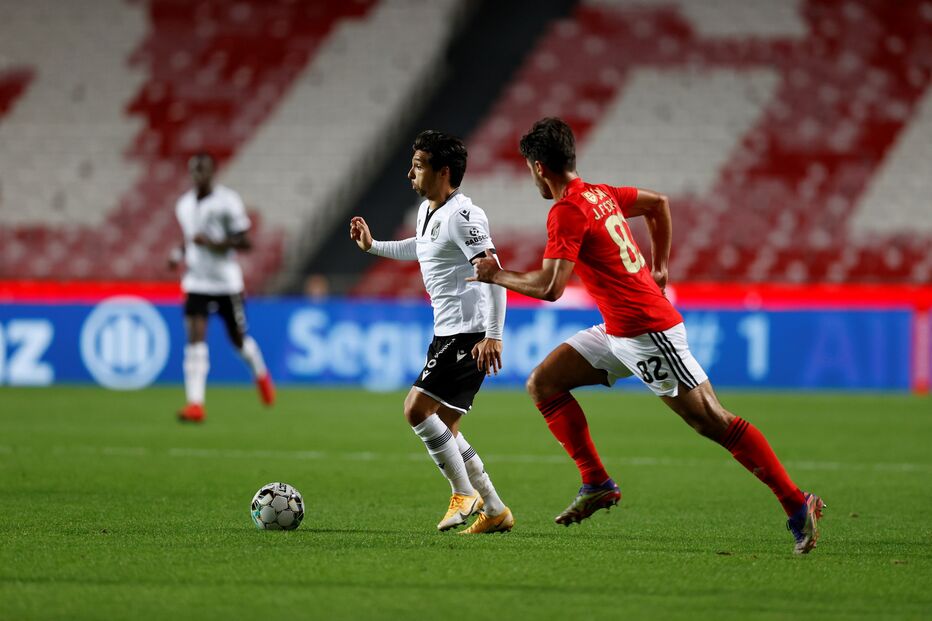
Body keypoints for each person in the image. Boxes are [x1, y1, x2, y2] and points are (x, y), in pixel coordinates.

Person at [469, 118, 824, 554]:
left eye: (528, 169)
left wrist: (496, 274)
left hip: (648, 332)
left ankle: (796, 503)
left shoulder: (567, 210)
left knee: (712, 420)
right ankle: (596, 481)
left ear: (539, 167)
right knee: (544, 383)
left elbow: (550, 287)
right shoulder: (600, 193)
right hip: (619, 329)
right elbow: (659, 204)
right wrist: (660, 267)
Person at [350, 130, 514, 534]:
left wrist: (493, 334)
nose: (410, 173)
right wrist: (374, 246)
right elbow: (422, 247)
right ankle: (494, 510)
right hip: (448, 333)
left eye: (418, 165)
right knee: (446, 426)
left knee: (416, 409)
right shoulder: (429, 211)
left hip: (469, 333)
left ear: (444, 172)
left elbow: (492, 272)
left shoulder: (463, 216)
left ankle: (464, 493)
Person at [167, 153, 275, 423]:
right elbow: (190, 240)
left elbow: (245, 242)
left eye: (202, 170)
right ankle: (195, 404)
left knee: (238, 340)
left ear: (213, 172)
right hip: (196, 281)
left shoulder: (228, 202)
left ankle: (260, 374)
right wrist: (178, 255)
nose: (197, 175)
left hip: (227, 282)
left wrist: (215, 243)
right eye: (194, 170)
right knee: (194, 338)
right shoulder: (183, 205)